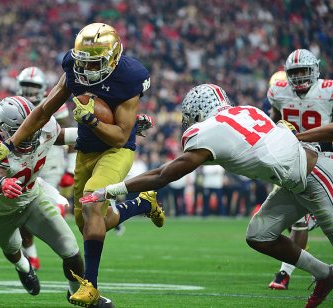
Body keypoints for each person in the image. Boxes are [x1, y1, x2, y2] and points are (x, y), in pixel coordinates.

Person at [81, 84, 333, 308]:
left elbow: (163, 175)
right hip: (296, 180)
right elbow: (244, 152)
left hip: (317, 175)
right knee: (259, 235)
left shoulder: (208, 130)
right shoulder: (247, 111)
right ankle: (324, 274)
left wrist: (110, 190)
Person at [0, 23, 164, 307]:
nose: (87, 71)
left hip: (93, 162)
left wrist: (101, 123)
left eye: (95, 63)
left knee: (84, 218)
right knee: (85, 223)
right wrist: (8, 157)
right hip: (9, 202)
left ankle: (89, 289)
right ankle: (141, 205)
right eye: (83, 63)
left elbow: (102, 134)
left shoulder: (128, 78)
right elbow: (36, 118)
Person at [0, 96, 113, 306]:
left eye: (32, 126)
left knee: (71, 250)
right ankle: (24, 267)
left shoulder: (45, 125)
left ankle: (77, 294)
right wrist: (2, 183)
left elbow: (65, 136)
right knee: (12, 249)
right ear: (3, 129)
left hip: (32, 198)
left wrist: (109, 132)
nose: (30, 134)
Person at [267, 49, 333, 290]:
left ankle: (285, 273)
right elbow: (274, 118)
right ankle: (286, 273)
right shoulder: (278, 91)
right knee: (296, 223)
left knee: (312, 222)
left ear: (315, 70)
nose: (299, 77)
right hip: (292, 158)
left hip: (324, 159)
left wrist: (299, 135)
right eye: (294, 73)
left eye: (304, 71)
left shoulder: (328, 91)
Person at [15, 66, 76, 271]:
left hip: (50, 161)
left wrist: (71, 168)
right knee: (22, 212)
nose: (30, 90)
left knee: (41, 208)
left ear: (42, 87)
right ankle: (32, 256)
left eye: (34, 85)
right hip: (26, 164)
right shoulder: (15, 104)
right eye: (26, 85)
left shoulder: (54, 102)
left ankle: (65, 247)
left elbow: (72, 134)